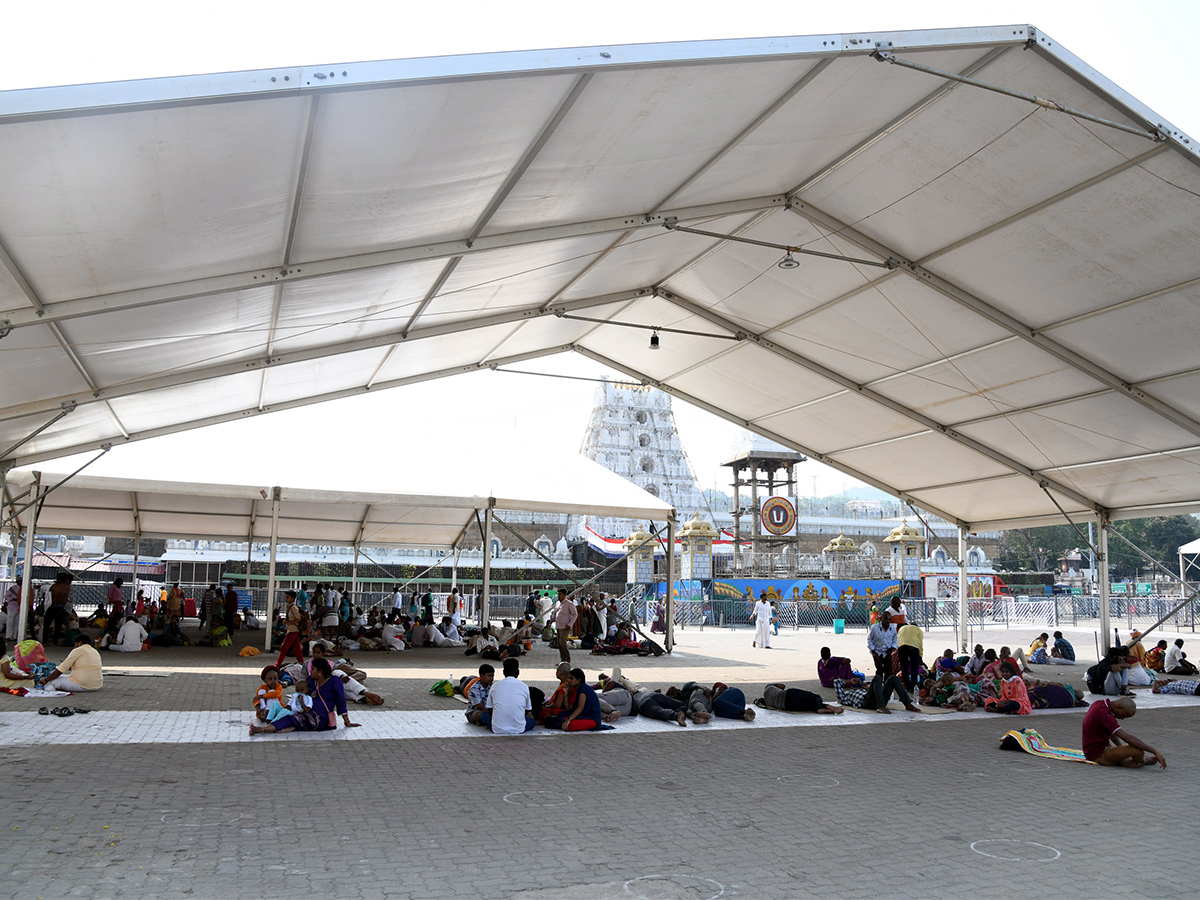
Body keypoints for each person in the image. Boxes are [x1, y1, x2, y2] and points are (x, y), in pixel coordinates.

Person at [250, 657, 360, 735]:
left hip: (320, 718)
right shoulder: (311, 681)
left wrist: (347, 722)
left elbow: (341, 701)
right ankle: (282, 727)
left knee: (291, 719)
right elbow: (300, 692)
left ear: (320, 672)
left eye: (313, 669)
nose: (310, 672)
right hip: (305, 711)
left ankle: (260, 730)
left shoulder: (334, 681)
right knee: (287, 714)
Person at [1082, 696, 1165, 768]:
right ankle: (1142, 761)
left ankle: (1125, 760)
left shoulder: (1099, 703)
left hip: (1099, 749)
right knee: (1138, 750)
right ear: (1119, 707)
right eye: (1124, 715)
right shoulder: (1105, 715)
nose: (1122, 718)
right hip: (1098, 755)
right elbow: (1127, 738)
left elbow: (1113, 735)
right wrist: (1155, 752)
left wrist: (1121, 750)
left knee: (1133, 746)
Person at [485, 657, 535, 735]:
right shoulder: (524, 686)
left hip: (497, 728)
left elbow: (489, 709)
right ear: (518, 672)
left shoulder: (495, 686)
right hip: (518, 728)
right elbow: (527, 710)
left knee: (483, 715)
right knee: (532, 721)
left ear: (503, 672)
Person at [38, 634, 103, 692]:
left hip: (82, 685)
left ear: (80, 643)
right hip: (96, 685)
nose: (75, 646)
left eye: (75, 644)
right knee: (62, 677)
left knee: (52, 680)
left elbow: (61, 670)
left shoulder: (78, 650)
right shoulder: (95, 651)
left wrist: (46, 680)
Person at [833, 672, 920, 714]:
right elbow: (836, 682)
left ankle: (907, 704)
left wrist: (868, 688)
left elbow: (875, 692)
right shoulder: (843, 697)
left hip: (876, 698)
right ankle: (880, 707)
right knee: (877, 677)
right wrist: (849, 681)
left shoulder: (860, 690)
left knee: (893, 678)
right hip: (866, 702)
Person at [756, 683, 843, 714]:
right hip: (789, 694)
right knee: (815, 697)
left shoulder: (768, 702)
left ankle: (824, 707)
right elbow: (782, 686)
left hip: (787, 706)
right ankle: (822, 707)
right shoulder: (769, 686)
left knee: (812, 706)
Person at [43, 572, 73, 647]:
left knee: (47, 625)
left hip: (53, 606)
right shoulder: (67, 587)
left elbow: (48, 597)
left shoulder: (54, 587)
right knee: (58, 626)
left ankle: (45, 641)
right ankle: (55, 642)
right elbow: (69, 598)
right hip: (61, 607)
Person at [275, 591, 305, 667]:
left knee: (284, 647)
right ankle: (302, 663)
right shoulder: (290, 607)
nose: (286, 599)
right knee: (297, 648)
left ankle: (278, 664)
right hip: (291, 629)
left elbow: (298, 619)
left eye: (288, 597)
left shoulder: (293, 608)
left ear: (293, 598)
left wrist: (288, 622)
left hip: (293, 630)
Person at [866, 609, 897, 677]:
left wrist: (892, 648)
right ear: (881, 618)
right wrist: (873, 651)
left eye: (889, 619)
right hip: (877, 651)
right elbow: (870, 639)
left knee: (889, 671)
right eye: (885, 619)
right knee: (879, 670)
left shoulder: (893, 628)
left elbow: (895, 640)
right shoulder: (875, 627)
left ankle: (887, 686)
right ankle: (878, 685)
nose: (887, 621)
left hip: (887, 652)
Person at [896, 621, 924, 690]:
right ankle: (913, 686)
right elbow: (920, 644)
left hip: (901, 647)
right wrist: (920, 656)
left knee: (904, 667)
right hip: (913, 647)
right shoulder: (918, 630)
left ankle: (906, 685)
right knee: (914, 667)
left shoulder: (902, 628)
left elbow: (899, 640)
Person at [553, 589, 577, 664]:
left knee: (562, 642)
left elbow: (575, 614)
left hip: (565, 626)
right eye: (558, 594)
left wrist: (570, 624)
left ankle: (567, 658)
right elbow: (555, 613)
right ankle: (562, 660)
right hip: (558, 626)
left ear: (564, 595)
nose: (558, 596)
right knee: (559, 643)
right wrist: (551, 622)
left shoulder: (569, 604)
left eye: (560, 594)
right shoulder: (558, 603)